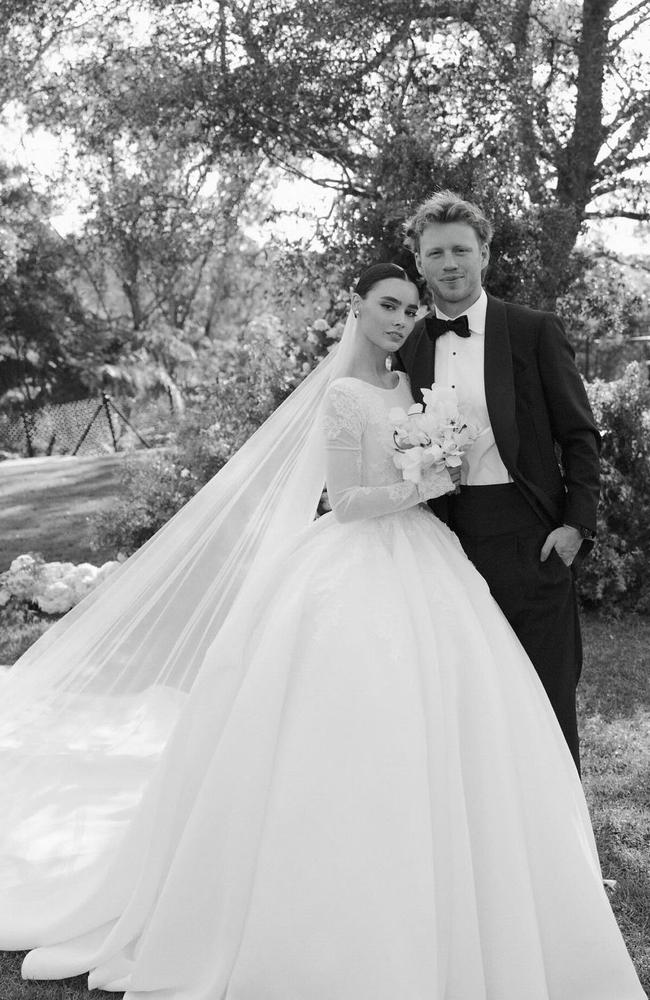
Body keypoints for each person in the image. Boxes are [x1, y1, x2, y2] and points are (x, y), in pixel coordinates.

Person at [0, 265, 645, 1000]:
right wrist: (425, 482)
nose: (402, 319)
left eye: (409, 308)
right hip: (356, 563)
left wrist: (438, 472)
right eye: (388, 306)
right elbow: (343, 502)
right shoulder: (342, 396)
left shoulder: (410, 386)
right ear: (358, 309)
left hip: (429, 562)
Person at [395, 192, 600, 771]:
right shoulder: (408, 346)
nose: (450, 263)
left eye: (462, 249)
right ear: (419, 263)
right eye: (436, 252)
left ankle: (560, 853)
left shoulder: (533, 331)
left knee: (546, 695)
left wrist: (575, 527)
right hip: (443, 544)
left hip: (531, 536)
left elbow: (580, 436)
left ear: (485, 253)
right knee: (465, 702)